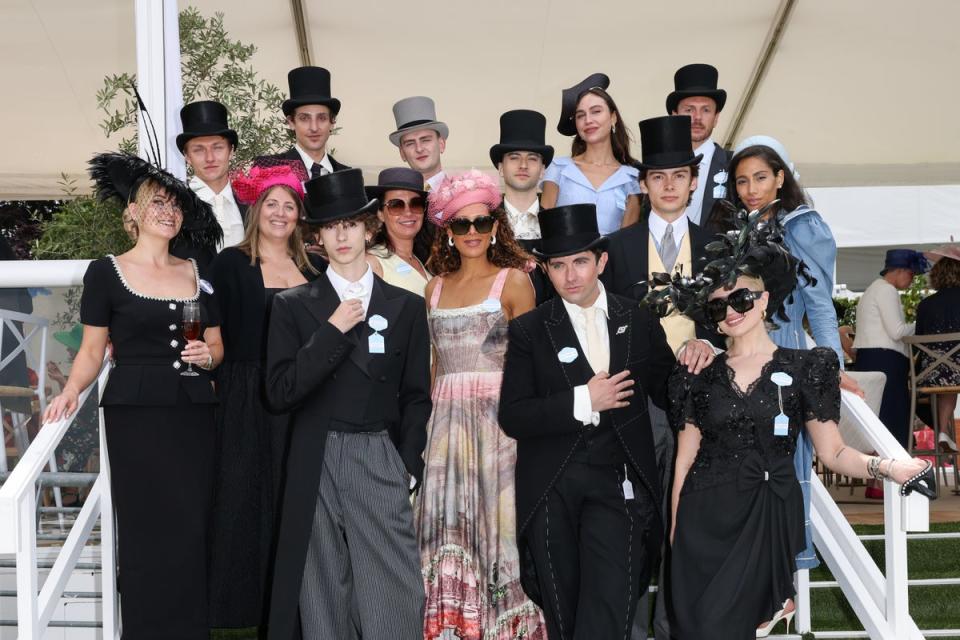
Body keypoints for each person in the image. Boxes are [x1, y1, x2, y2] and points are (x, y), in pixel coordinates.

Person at [659, 211, 934, 640]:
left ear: (765, 299)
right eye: (718, 305)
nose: (731, 311)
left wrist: (889, 467)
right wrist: (677, 536)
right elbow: (684, 460)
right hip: (701, 519)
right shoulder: (698, 373)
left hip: (765, 517)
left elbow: (833, 452)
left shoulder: (808, 366)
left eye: (742, 299)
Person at [43, 151, 223, 639]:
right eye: (157, 202)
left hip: (191, 413)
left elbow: (215, 344)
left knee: (190, 530)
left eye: (176, 205)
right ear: (134, 212)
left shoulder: (195, 269)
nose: (169, 211)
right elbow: (91, 350)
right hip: (136, 416)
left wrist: (209, 357)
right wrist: (72, 391)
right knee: (145, 533)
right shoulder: (106, 273)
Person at [265, 168, 430, 640]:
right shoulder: (293, 305)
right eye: (330, 226)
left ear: (369, 227)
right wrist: (331, 332)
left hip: (377, 451)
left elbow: (417, 394)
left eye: (351, 223)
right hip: (312, 455)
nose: (341, 234)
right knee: (320, 590)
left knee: (394, 591)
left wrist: (407, 462)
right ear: (317, 235)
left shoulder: (406, 306)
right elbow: (279, 392)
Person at [498, 203, 675, 638]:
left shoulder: (638, 320)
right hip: (552, 486)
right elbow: (513, 415)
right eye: (558, 265)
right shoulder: (530, 331)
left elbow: (673, 391)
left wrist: (703, 353)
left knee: (608, 611)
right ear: (546, 270)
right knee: (564, 614)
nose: (571, 275)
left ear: (602, 261)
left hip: (620, 485)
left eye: (580, 261)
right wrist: (584, 400)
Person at [726, 135, 862, 624]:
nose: (751, 188)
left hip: (783, 360)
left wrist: (829, 370)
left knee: (782, 474)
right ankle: (763, 589)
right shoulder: (744, 227)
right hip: (741, 359)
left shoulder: (800, 226)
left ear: (781, 177)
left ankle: (781, 591)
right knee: (749, 473)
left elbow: (821, 303)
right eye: (742, 180)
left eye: (761, 177)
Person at [601, 114, 718, 640]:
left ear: (694, 180)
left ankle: (674, 627)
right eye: (658, 176)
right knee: (631, 517)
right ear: (643, 184)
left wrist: (710, 340)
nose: (669, 185)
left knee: (686, 517)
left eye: (679, 175)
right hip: (635, 401)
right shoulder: (616, 248)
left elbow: (737, 318)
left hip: (699, 402)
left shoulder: (717, 246)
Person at [417, 170, 544, 639]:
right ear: (446, 231)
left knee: (501, 527)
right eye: (461, 224)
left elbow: (532, 366)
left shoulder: (514, 282)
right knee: (447, 527)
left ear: (496, 226)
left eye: (481, 222)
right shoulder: (433, 288)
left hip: (498, 425)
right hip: (446, 425)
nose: (472, 232)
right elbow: (433, 366)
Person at [205, 161, 325, 631]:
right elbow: (215, 334)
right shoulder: (231, 263)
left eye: (289, 205)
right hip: (246, 394)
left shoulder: (314, 266)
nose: (280, 213)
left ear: (299, 214)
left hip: (302, 395)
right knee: (244, 499)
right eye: (271, 204)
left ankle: (298, 606)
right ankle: (244, 610)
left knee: (297, 501)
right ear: (257, 210)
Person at [541, 73, 641, 234]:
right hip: (564, 258)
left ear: (613, 117)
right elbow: (545, 230)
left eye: (596, 111)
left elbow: (627, 241)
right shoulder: (559, 169)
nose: (588, 120)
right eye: (581, 115)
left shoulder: (632, 177)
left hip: (613, 258)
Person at [854, 249, 930, 448]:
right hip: (885, 361)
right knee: (891, 420)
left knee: (878, 419)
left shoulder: (874, 289)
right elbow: (897, 332)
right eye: (911, 274)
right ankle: (891, 474)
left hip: (873, 358)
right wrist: (923, 322)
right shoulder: (886, 290)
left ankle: (879, 477)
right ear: (899, 270)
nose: (912, 280)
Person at [490, 108, 556, 304]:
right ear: (501, 167)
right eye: (514, 157)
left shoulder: (556, 226)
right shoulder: (482, 225)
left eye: (532, 158)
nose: (523, 165)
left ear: (543, 170)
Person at [177, 100, 248, 256]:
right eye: (198, 150)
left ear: (231, 151)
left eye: (217, 148)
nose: (210, 158)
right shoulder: (176, 207)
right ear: (187, 156)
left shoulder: (252, 205)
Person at [666, 63, 732, 230]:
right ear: (675, 116)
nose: (697, 118)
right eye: (689, 110)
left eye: (706, 110)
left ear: (716, 117)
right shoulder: (655, 167)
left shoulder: (734, 165)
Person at [256, 66, 350, 178]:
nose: (314, 128)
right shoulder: (269, 169)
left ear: (332, 122)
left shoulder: (348, 176)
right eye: (304, 118)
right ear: (291, 122)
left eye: (322, 118)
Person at [364, 167, 433, 297]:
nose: (408, 212)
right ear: (380, 214)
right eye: (396, 205)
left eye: (416, 204)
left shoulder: (423, 259)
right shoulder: (372, 263)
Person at [917, 244, 960, 449]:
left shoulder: (926, 305)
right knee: (952, 370)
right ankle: (944, 432)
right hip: (956, 371)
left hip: (930, 374)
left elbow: (918, 339)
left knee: (946, 375)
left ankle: (943, 431)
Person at [390, 96, 448, 192]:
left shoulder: (466, 195)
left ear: (441, 144)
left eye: (425, 140)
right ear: (402, 153)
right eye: (410, 143)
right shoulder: (395, 200)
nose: (419, 149)